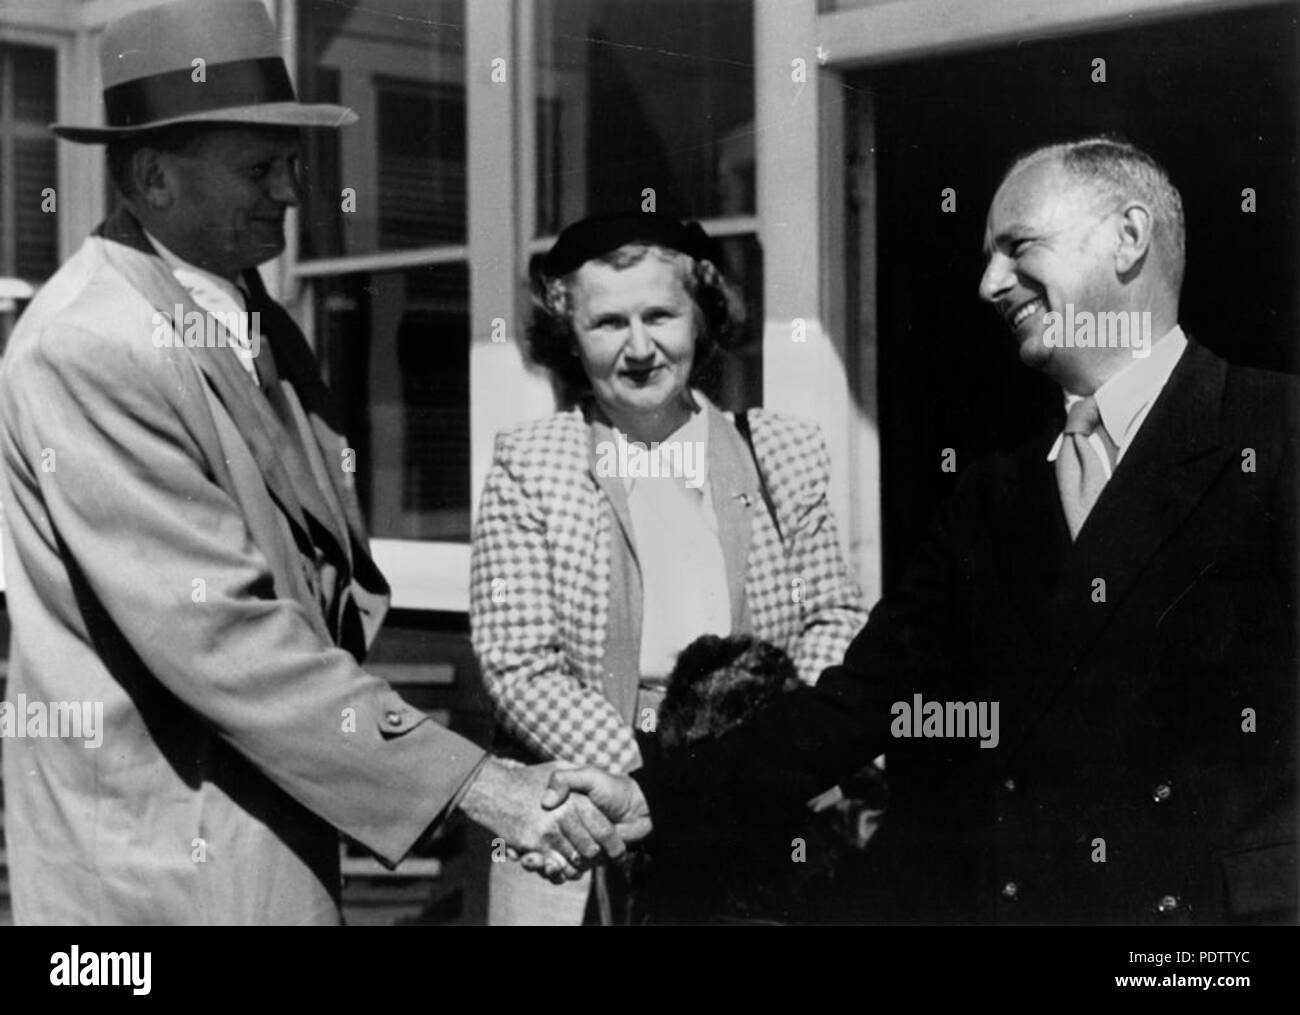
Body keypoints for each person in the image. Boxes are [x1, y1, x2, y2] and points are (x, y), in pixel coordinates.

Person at [547, 137, 1299, 925]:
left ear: (1129, 237)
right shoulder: (993, 493)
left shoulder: (1276, 432)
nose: (989, 283)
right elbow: (855, 703)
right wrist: (651, 796)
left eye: (1017, 247)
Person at [0, 0, 619, 925]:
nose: (292, 192)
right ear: (154, 178)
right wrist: (478, 784)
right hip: (155, 869)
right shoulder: (88, 345)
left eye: (294, 162)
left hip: (265, 825)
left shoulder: (238, 304)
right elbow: (224, 637)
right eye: (259, 169)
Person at [469, 212, 866, 924]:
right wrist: (653, 788)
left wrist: (760, 764)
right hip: (588, 814)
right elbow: (518, 661)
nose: (639, 347)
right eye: (608, 323)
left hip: (761, 806)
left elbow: (832, 616)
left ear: (701, 317)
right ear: (569, 334)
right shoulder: (531, 464)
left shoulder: (779, 452)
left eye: (660, 315)